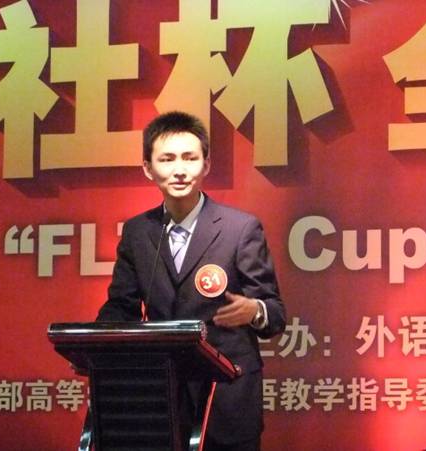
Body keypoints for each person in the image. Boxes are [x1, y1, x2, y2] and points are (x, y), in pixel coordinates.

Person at [97, 111, 286, 451]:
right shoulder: (138, 232)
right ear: (148, 168)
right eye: (167, 159)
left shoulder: (240, 229)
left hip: (227, 395)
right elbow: (121, 306)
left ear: (206, 164)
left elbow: (275, 313)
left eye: (190, 158)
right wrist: (97, 346)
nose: (180, 170)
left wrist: (254, 310)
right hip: (162, 397)